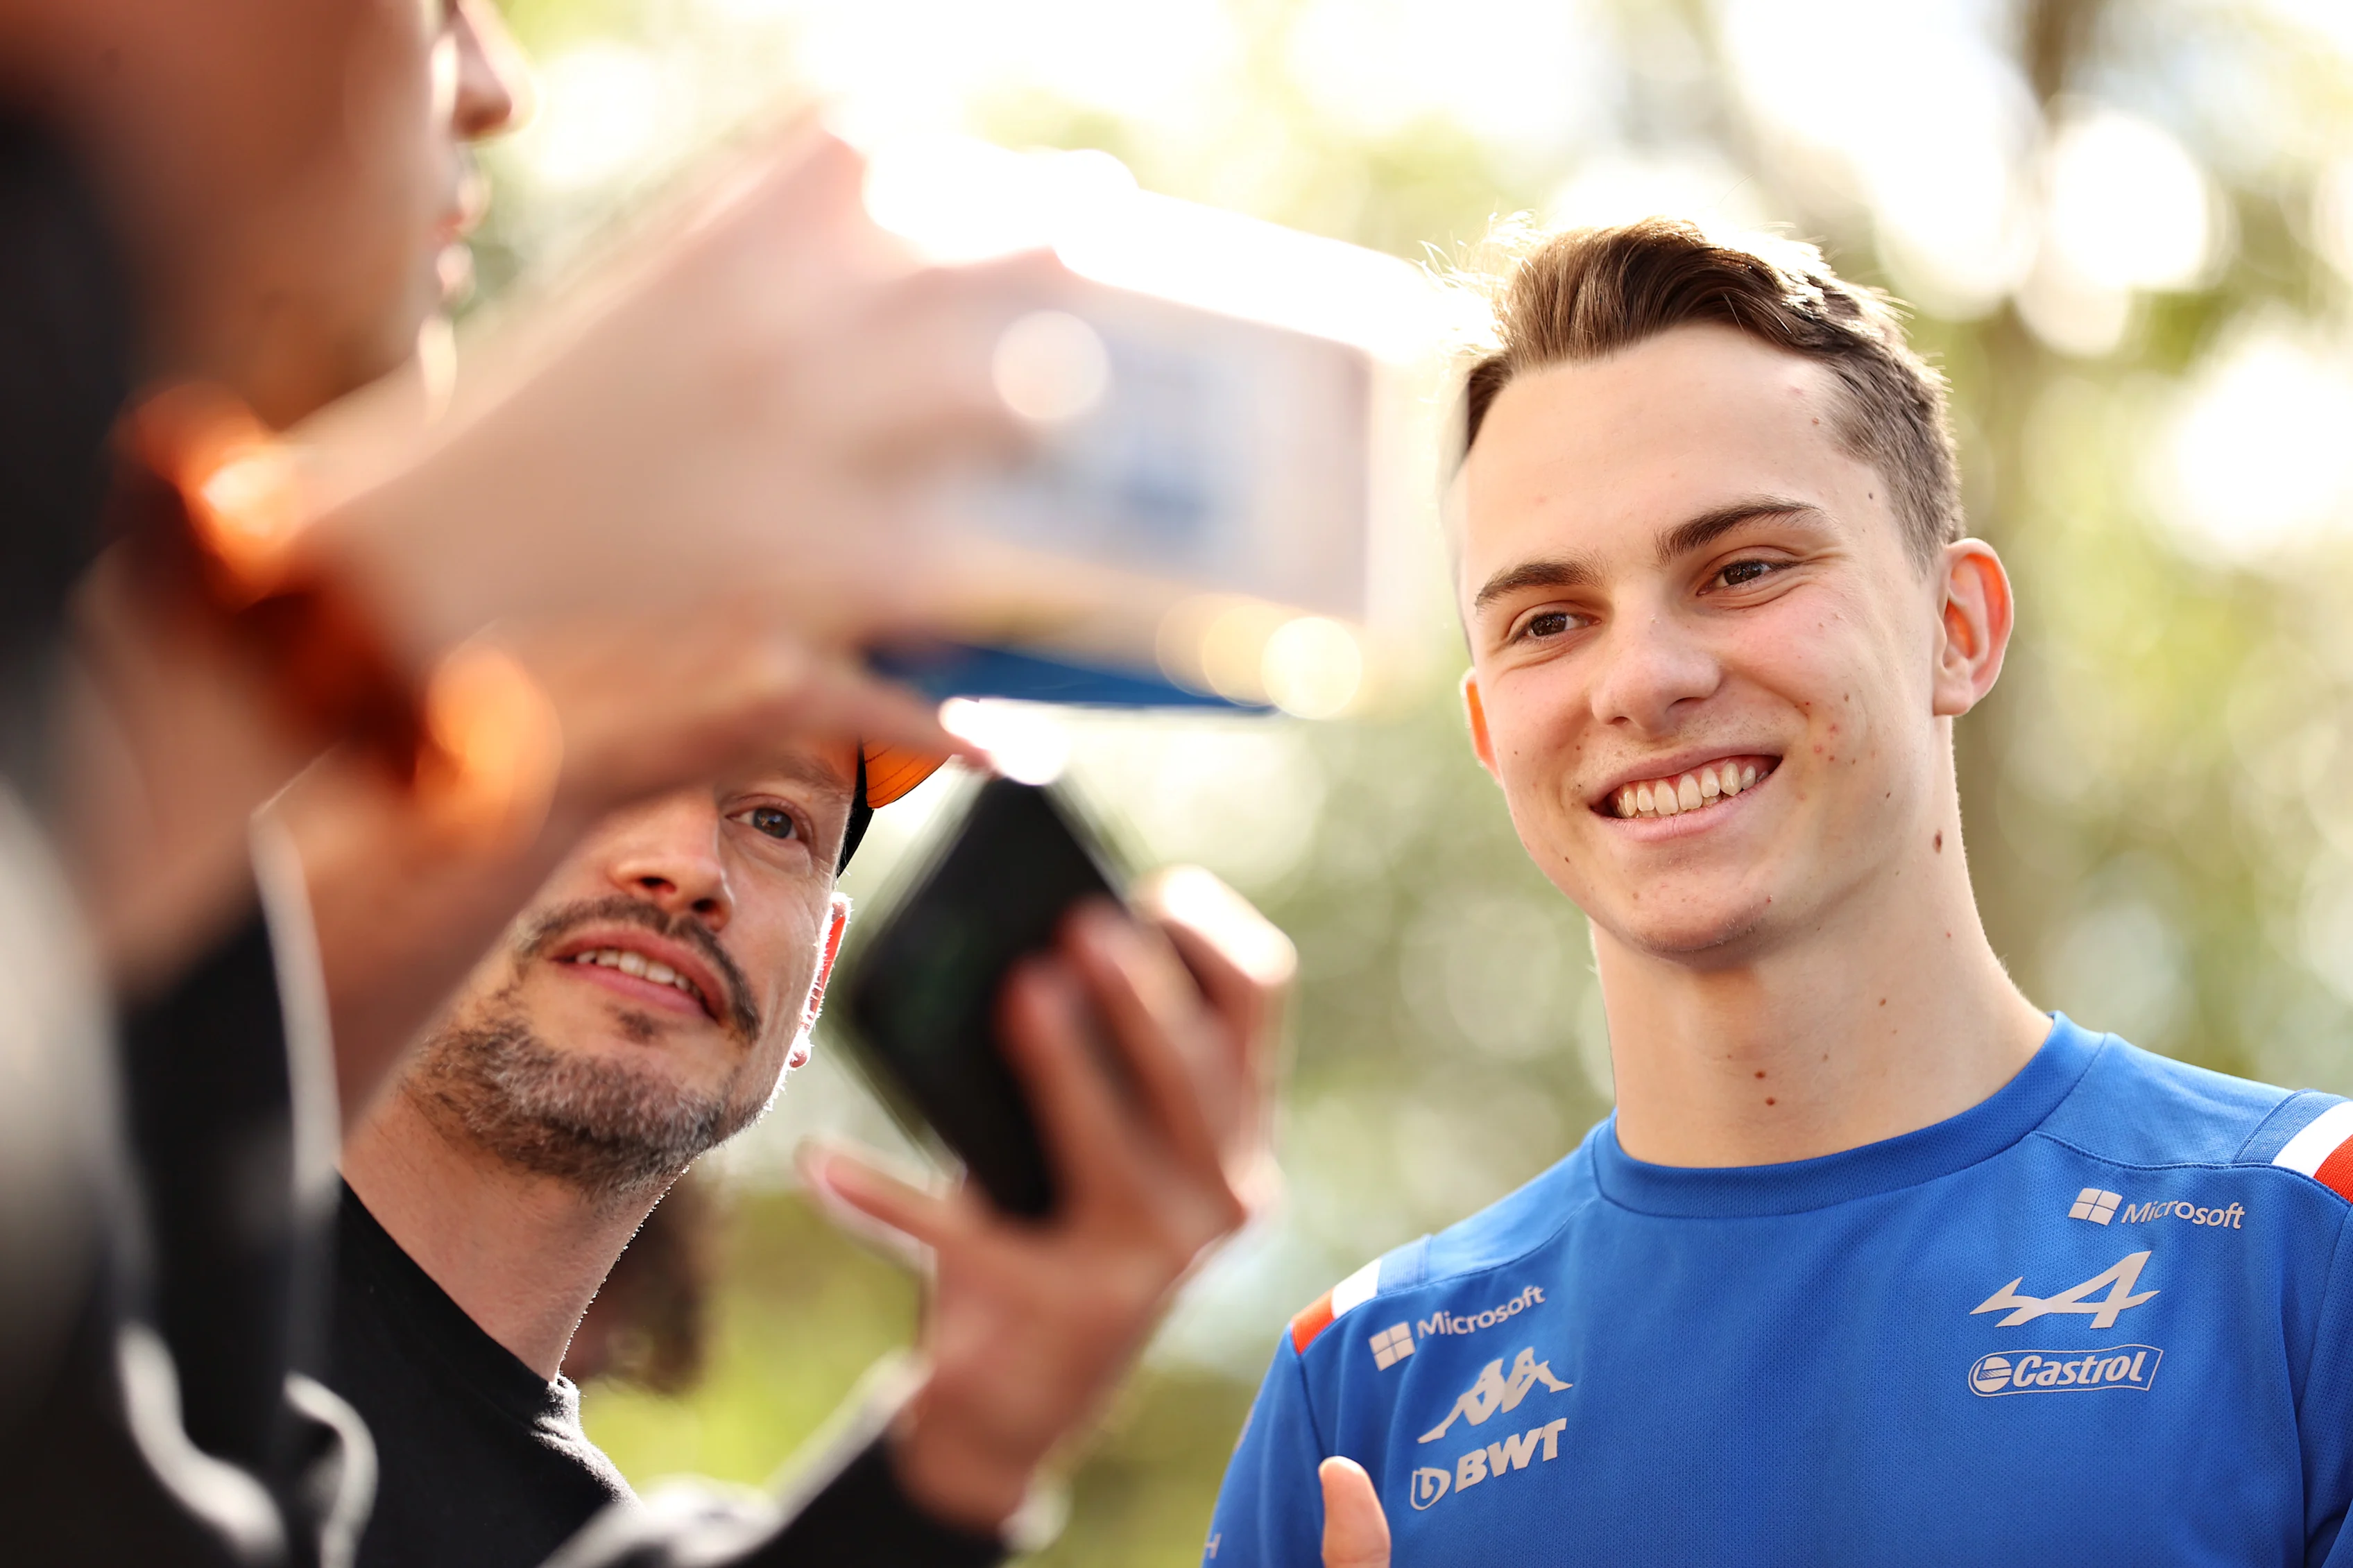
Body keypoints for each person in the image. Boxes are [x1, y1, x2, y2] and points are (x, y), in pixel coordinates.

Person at [1206, 218, 2353, 1567]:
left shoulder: (2307, 1241)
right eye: (1547, 620)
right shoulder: (1359, 1386)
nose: (1643, 680)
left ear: (1957, 627)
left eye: (1742, 569)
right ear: (1487, 730)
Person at [316, 734, 1287, 1568]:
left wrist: (965, 1449)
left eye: (775, 821)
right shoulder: (213, 1323)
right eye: (604, 763)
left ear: (816, 978)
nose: (689, 863)